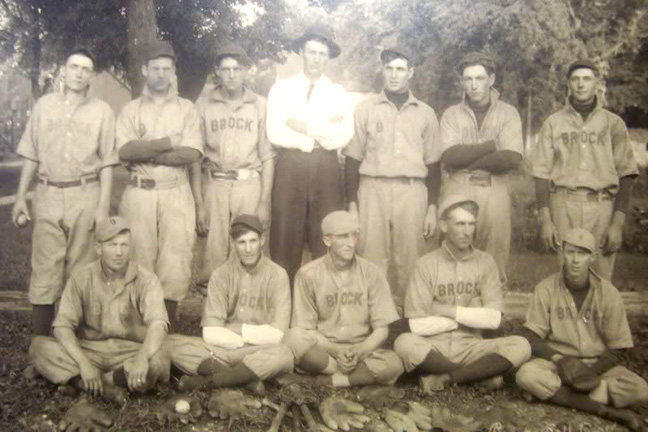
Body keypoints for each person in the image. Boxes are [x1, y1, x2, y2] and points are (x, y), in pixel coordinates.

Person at [12, 47, 117, 336]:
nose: (79, 73)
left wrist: (102, 208)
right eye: (74, 67)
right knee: (45, 268)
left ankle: (77, 340)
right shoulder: (44, 106)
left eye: (85, 69)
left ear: (91, 76)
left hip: (85, 193)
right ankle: (42, 342)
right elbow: (31, 154)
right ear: (63, 70)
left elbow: (108, 162)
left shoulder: (102, 111)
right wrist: (21, 196)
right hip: (47, 193)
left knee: (81, 269)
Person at [394, 195, 530, 394]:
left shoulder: (485, 262)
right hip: (434, 346)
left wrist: (444, 310)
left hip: (472, 346)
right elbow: (416, 325)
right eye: (460, 224)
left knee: (521, 345)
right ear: (444, 226)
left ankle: (447, 378)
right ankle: (477, 377)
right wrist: (468, 316)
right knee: (404, 343)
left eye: (471, 224)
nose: (467, 232)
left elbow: (493, 320)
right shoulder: (426, 264)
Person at [28, 217, 170, 407]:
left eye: (124, 245)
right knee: (39, 347)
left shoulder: (146, 279)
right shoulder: (82, 277)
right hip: (91, 349)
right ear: (98, 248)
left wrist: (143, 358)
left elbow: (158, 324)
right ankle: (110, 383)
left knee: (160, 360)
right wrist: (84, 363)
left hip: (131, 351)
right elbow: (62, 326)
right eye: (112, 245)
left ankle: (83, 383)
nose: (119, 252)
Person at [516, 228, 648, 432]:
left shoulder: (608, 293)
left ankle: (560, 395)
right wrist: (560, 360)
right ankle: (604, 409)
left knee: (640, 389)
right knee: (526, 375)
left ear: (593, 257)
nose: (576, 260)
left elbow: (618, 348)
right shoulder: (546, 288)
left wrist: (588, 375)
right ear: (562, 254)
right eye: (570, 252)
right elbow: (531, 336)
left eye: (583, 253)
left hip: (597, 366)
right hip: (558, 364)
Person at [343, 45, 441, 311]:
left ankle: (411, 318)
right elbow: (352, 159)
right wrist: (352, 204)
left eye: (400, 69)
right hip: (373, 188)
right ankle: (376, 318)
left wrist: (432, 207)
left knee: (411, 258)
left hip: (412, 190)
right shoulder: (365, 109)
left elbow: (434, 164)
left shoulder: (425, 113)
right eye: (389, 69)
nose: (394, 75)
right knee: (372, 256)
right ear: (382, 71)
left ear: (411, 72)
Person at [116, 40, 203, 324]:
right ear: (144, 70)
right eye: (155, 68)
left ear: (174, 72)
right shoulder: (131, 110)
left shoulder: (186, 108)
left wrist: (149, 152)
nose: (161, 74)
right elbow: (126, 151)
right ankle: (139, 327)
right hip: (140, 193)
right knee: (138, 260)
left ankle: (166, 330)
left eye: (167, 69)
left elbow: (190, 153)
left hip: (175, 192)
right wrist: (166, 144)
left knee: (174, 262)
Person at [528, 59, 639, 280]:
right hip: (563, 205)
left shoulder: (613, 123)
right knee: (565, 278)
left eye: (587, 79)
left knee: (600, 280)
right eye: (575, 79)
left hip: (601, 207)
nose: (581, 84)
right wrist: (546, 220)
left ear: (596, 83)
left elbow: (626, 174)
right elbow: (540, 174)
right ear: (568, 83)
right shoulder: (554, 123)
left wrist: (617, 224)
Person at [162, 214, 293, 392]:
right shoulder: (221, 274)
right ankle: (246, 380)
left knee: (283, 354)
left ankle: (206, 382)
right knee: (171, 344)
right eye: (241, 242)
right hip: (222, 349)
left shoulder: (277, 275)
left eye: (253, 241)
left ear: (262, 240)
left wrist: (235, 329)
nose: (248, 249)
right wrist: (240, 342)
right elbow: (210, 332)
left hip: (261, 350)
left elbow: (276, 334)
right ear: (233, 243)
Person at [266, 24, 354, 284]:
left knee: (325, 233)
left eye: (322, 54)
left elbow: (342, 135)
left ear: (328, 58)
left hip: (326, 167)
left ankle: (322, 300)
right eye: (312, 52)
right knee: (285, 234)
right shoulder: (282, 88)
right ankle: (284, 302)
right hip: (290, 166)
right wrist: (320, 130)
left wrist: (303, 126)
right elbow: (275, 132)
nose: (316, 59)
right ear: (301, 53)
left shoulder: (338, 93)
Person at [284, 211, 404, 388]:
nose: (350, 243)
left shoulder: (371, 272)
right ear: (327, 241)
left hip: (361, 350)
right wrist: (337, 351)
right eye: (343, 236)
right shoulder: (307, 275)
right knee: (293, 337)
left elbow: (381, 329)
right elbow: (306, 329)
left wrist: (360, 350)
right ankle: (350, 375)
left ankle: (325, 381)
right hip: (324, 351)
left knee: (394, 364)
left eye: (354, 235)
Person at [192, 42, 275, 286]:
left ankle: (246, 311)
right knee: (213, 251)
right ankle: (213, 312)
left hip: (248, 183)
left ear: (245, 71)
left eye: (237, 69)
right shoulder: (204, 104)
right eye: (225, 69)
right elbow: (195, 157)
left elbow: (268, 156)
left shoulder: (259, 104)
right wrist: (199, 202)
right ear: (217, 71)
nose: (231, 75)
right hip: (214, 183)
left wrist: (264, 201)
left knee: (249, 247)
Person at [439, 52, 523, 282]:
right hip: (459, 187)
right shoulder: (451, 115)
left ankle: (492, 312)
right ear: (462, 82)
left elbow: (511, 159)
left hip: (494, 186)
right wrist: (489, 146)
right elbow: (450, 158)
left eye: (480, 78)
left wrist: (469, 159)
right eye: (468, 79)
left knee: (493, 259)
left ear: (491, 79)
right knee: (455, 256)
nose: (474, 85)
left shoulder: (508, 113)